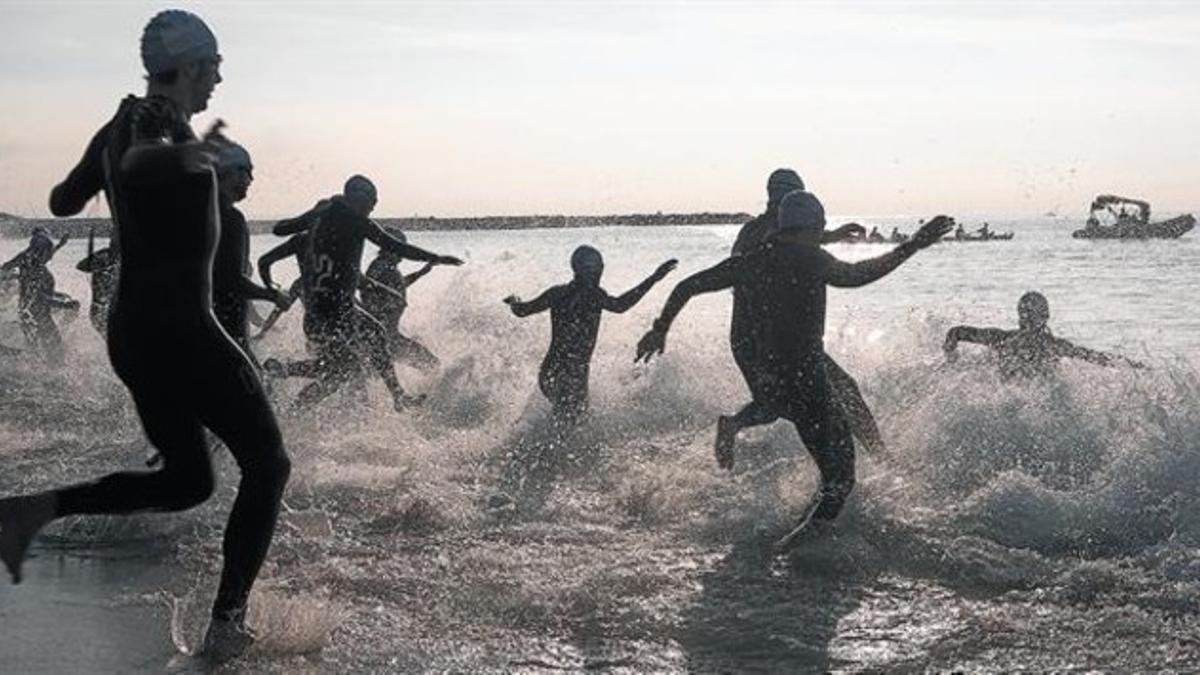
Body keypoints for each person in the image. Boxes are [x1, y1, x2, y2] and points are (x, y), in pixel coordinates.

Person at [0, 11, 290, 659]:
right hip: (180, 329)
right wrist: (188, 155)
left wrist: (115, 162)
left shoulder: (123, 119)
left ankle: (28, 511)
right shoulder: (157, 120)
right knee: (269, 464)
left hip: (135, 334)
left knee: (190, 484)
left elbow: (63, 199)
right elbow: (137, 164)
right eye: (213, 65)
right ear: (187, 65)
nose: (219, 77)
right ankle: (227, 624)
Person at [636, 190, 952, 526]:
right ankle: (801, 548)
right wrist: (913, 245)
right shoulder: (811, 259)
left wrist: (660, 328)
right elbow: (858, 275)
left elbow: (688, 285)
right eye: (820, 228)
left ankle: (800, 534)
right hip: (807, 378)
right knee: (840, 479)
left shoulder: (752, 259)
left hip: (772, 370)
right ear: (812, 226)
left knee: (786, 420)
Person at [728, 170, 884, 460]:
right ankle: (878, 460)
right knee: (827, 395)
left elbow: (790, 244)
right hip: (768, 339)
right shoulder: (767, 236)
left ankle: (867, 460)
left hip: (751, 337)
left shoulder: (756, 230)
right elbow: (792, 250)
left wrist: (832, 235)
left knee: (779, 404)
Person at [274, 176, 463, 411]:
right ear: (357, 198)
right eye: (372, 202)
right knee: (355, 356)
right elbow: (395, 246)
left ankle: (285, 379)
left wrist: (312, 215)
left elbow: (279, 229)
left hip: (321, 312)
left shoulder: (329, 220)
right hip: (337, 309)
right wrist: (435, 258)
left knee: (340, 370)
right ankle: (397, 396)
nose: (373, 208)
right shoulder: (357, 222)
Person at [505, 246, 676, 423]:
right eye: (597, 268)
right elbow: (621, 305)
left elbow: (522, 311)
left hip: (549, 372)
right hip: (573, 374)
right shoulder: (594, 295)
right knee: (572, 427)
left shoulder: (557, 293)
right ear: (592, 271)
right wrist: (653, 279)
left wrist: (514, 301)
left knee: (563, 424)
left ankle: (526, 443)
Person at [205, 127, 288, 361]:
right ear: (229, 173)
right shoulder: (230, 218)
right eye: (247, 171)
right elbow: (229, 279)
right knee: (256, 393)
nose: (251, 179)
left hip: (200, 333)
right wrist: (273, 295)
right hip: (226, 336)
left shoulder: (197, 214)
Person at [943, 291, 1143, 380]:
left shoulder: (1001, 338)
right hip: (1034, 408)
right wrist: (1133, 366)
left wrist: (952, 363)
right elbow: (1096, 358)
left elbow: (955, 333)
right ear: (1046, 316)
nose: (1027, 318)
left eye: (1028, 314)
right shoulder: (1053, 345)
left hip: (1007, 402)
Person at [360, 227, 439, 372]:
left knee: (430, 364)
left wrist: (420, 273)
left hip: (389, 336)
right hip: (386, 338)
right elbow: (368, 288)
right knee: (432, 364)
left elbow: (397, 285)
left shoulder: (386, 266)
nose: (404, 253)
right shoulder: (380, 266)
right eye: (402, 246)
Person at [0, 232, 77, 365]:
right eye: (46, 252)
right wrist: (64, 305)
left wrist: (60, 245)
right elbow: (39, 297)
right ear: (39, 252)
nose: (48, 257)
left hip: (29, 314)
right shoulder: (36, 270)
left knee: (38, 350)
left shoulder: (25, 259)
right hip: (39, 318)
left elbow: (6, 267)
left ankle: (33, 366)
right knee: (55, 352)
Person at [76, 228, 119, 336]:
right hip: (99, 310)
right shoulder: (103, 255)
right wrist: (100, 268)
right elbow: (80, 266)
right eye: (113, 239)